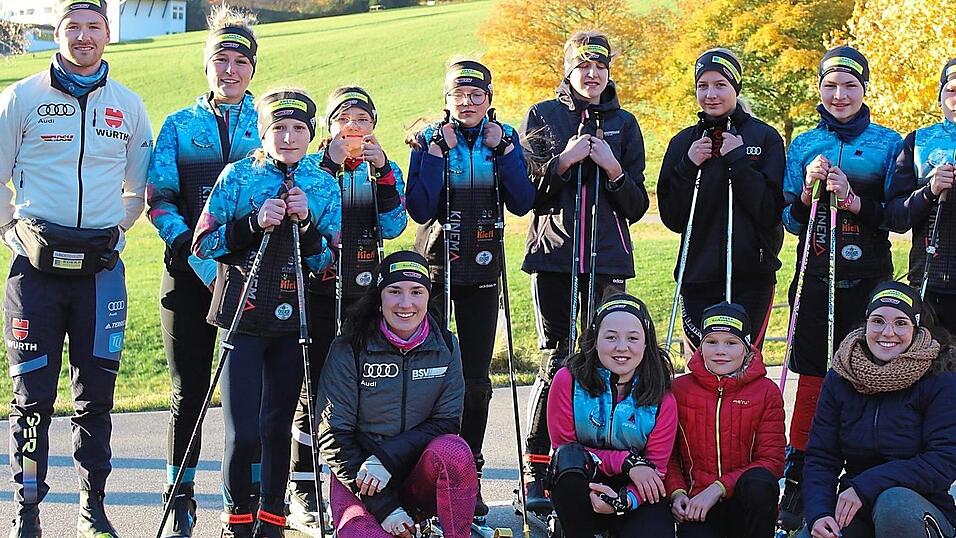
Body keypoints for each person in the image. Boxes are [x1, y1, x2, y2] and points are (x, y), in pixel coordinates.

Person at [0, 1, 153, 535]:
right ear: (58, 34)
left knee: (96, 399)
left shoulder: (129, 106)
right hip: (34, 272)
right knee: (33, 400)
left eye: (93, 27)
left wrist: (117, 230)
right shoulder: (21, 97)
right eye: (72, 28)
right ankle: (28, 511)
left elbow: (140, 188)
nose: (83, 37)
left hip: (99, 271)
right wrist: (8, 231)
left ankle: (94, 506)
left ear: (107, 34)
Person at [192, 89, 339, 537]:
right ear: (263, 132)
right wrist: (252, 223)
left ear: (311, 135)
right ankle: (236, 522)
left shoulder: (322, 183)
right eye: (279, 127)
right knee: (244, 432)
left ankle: (272, 520)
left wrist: (308, 224)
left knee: (277, 425)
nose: (289, 136)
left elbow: (329, 264)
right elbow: (204, 244)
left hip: (293, 320)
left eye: (298, 128)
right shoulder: (238, 176)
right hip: (243, 316)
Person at [518, 30, 650, 512]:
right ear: (568, 70)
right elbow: (528, 195)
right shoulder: (544, 115)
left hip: (607, 260)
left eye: (600, 66)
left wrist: (613, 168)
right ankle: (537, 467)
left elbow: (636, 204)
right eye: (582, 66)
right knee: (556, 361)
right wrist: (564, 161)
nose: (591, 75)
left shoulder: (626, 123)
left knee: (603, 359)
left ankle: (600, 460)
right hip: (554, 258)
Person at [146, 7, 261, 535]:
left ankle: (247, 495)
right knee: (188, 390)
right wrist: (195, 255)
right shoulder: (178, 125)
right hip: (189, 276)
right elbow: (161, 199)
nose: (230, 70)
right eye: (221, 60)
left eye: (241, 61)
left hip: (255, 274)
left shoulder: (269, 124)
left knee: (251, 393)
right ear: (206, 67)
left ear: (252, 70)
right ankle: (180, 494)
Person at [778, 45, 903, 530]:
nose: (840, 94)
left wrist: (852, 200)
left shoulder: (887, 143)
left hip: (867, 274)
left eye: (850, 85)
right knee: (813, 375)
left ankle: (864, 469)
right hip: (815, 273)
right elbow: (790, 219)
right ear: (819, 90)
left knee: (868, 369)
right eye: (830, 85)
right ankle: (801, 471)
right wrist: (810, 194)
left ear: (864, 89)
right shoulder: (806, 143)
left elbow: (894, 213)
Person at [405, 59, 533, 515]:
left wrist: (508, 154)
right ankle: (424, 471)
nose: (468, 101)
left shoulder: (505, 141)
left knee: (477, 381)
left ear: (489, 97)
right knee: (430, 373)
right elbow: (419, 209)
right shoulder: (428, 141)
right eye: (459, 94)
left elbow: (523, 202)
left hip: (482, 273)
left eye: (477, 94)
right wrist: (436, 159)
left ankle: (468, 473)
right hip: (436, 270)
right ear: (446, 99)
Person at [286, 86, 407, 530]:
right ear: (330, 127)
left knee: (360, 389)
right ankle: (300, 487)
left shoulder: (384, 167)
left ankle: (350, 482)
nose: (354, 128)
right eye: (345, 119)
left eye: (362, 119)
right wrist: (333, 164)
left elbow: (395, 226)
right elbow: (308, 214)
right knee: (312, 388)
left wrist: (384, 175)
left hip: (366, 292)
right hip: (321, 289)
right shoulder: (315, 166)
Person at [316, 250, 476, 538]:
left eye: (416, 292)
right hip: (361, 478)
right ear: (379, 297)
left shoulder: (446, 345)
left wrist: (387, 459)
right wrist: (386, 508)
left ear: (428, 296)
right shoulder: (348, 347)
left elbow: (447, 422)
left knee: (455, 450)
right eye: (394, 291)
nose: (406, 304)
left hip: (415, 473)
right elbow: (333, 436)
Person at [799, 281, 956, 538]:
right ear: (866, 324)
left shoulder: (939, 377)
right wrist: (818, 511)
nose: (888, 332)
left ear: (917, 329)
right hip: (854, 507)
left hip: (916, 506)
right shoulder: (841, 376)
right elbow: (822, 456)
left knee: (893, 504)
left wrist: (866, 485)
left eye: (901, 323)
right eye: (878, 321)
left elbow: (943, 461)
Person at [657, 48, 785, 353]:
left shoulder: (764, 138)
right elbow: (673, 217)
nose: (710, 94)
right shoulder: (683, 142)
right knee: (700, 368)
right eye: (703, 86)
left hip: (751, 278)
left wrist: (739, 162)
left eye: (720, 85)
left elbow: (770, 211)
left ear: (735, 88)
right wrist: (687, 166)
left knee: (743, 367)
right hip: (698, 278)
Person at [545, 293, 676, 536]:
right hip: (584, 482)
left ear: (646, 344)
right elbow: (566, 450)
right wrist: (625, 462)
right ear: (595, 340)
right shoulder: (567, 380)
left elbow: (655, 470)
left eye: (633, 338)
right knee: (568, 459)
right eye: (611, 337)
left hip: (633, 489)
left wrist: (625, 500)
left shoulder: (662, 396)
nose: (621, 347)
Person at [666, 302, 786, 538]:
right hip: (697, 504)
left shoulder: (766, 392)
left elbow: (772, 461)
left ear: (747, 347)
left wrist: (718, 488)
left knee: (760, 482)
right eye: (711, 342)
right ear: (700, 347)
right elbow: (668, 455)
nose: (720, 351)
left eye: (731, 343)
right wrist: (677, 492)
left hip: (745, 502)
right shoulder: (679, 389)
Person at [884, 58, 956, 334]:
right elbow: (895, 217)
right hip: (929, 284)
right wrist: (930, 190)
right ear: (940, 96)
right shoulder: (918, 142)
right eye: (951, 90)